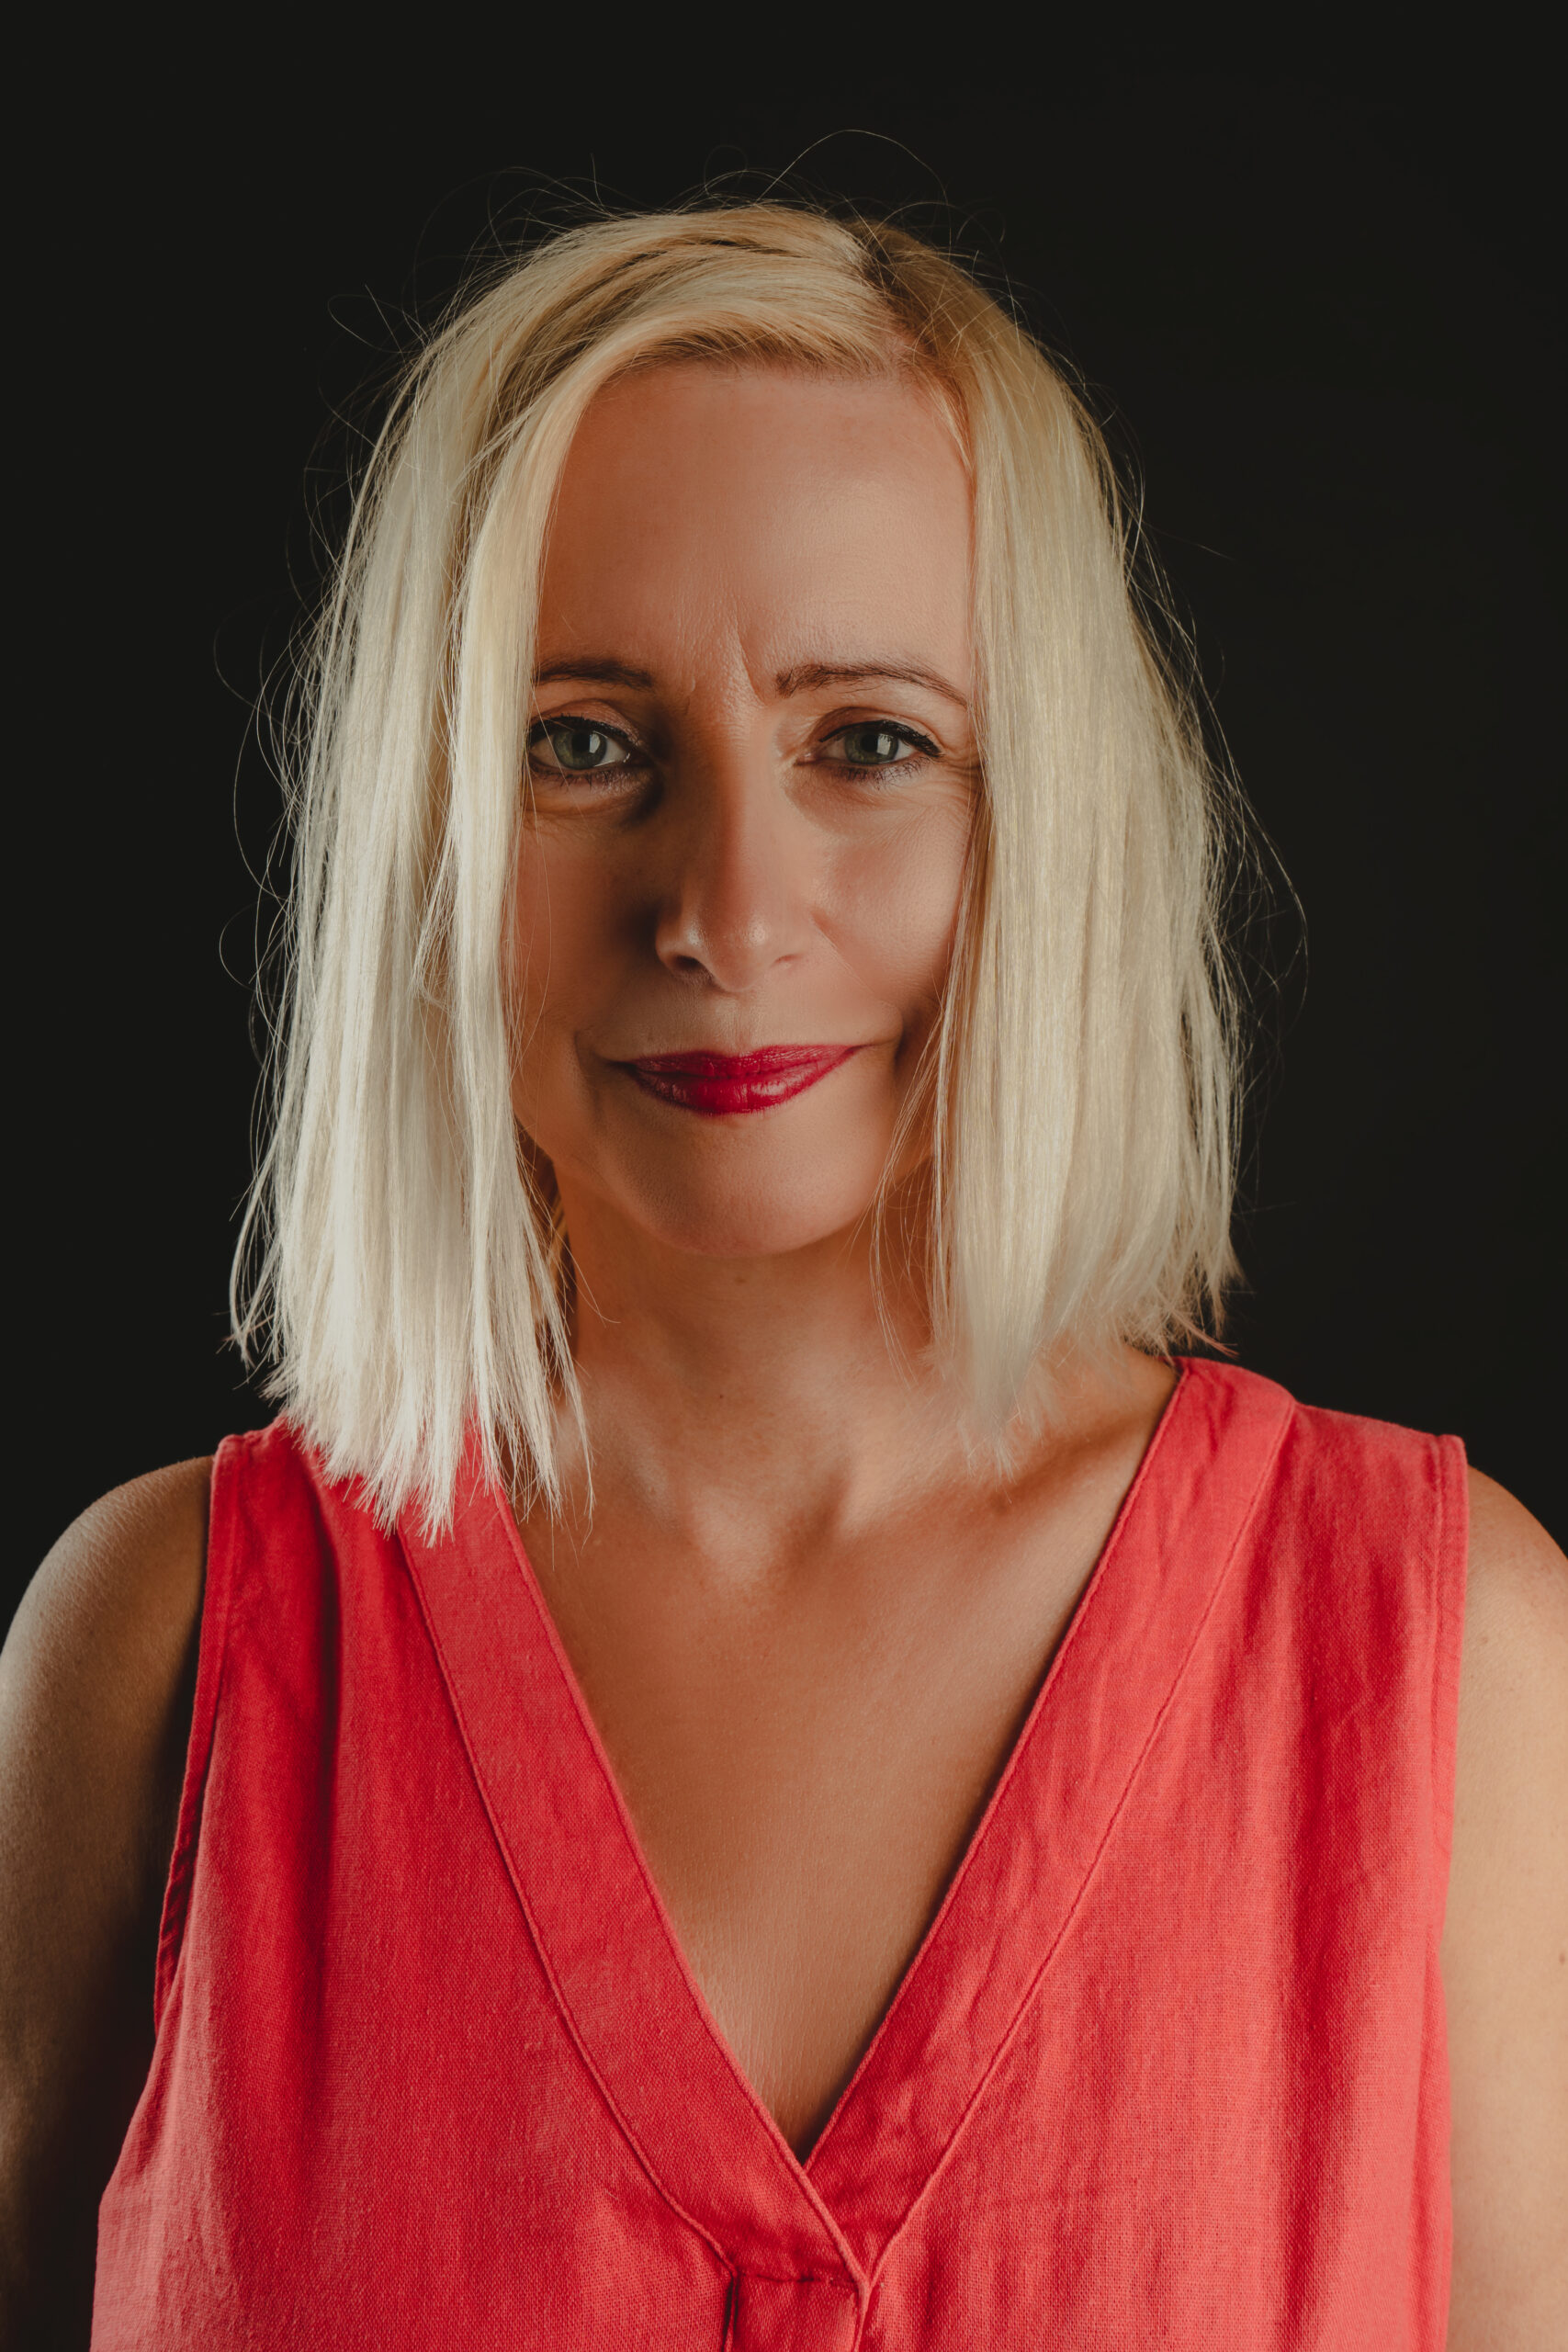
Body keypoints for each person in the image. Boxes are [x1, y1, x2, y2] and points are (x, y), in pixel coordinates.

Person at [1, 202, 1562, 2352]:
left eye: (867, 740)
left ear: (1047, 813)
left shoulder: (1447, 1657)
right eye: (578, 739)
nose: (727, 913)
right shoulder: (161, 1653)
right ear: (421, 821)